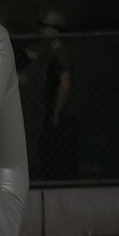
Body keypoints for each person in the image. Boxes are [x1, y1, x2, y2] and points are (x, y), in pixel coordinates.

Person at [36, 10, 76, 180]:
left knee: (56, 153)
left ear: (56, 30)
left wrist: (56, 112)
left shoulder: (60, 54)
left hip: (61, 114)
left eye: (46, 26)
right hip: (53, 112)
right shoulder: (51, 52)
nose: (42, 29)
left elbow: (65, 83)